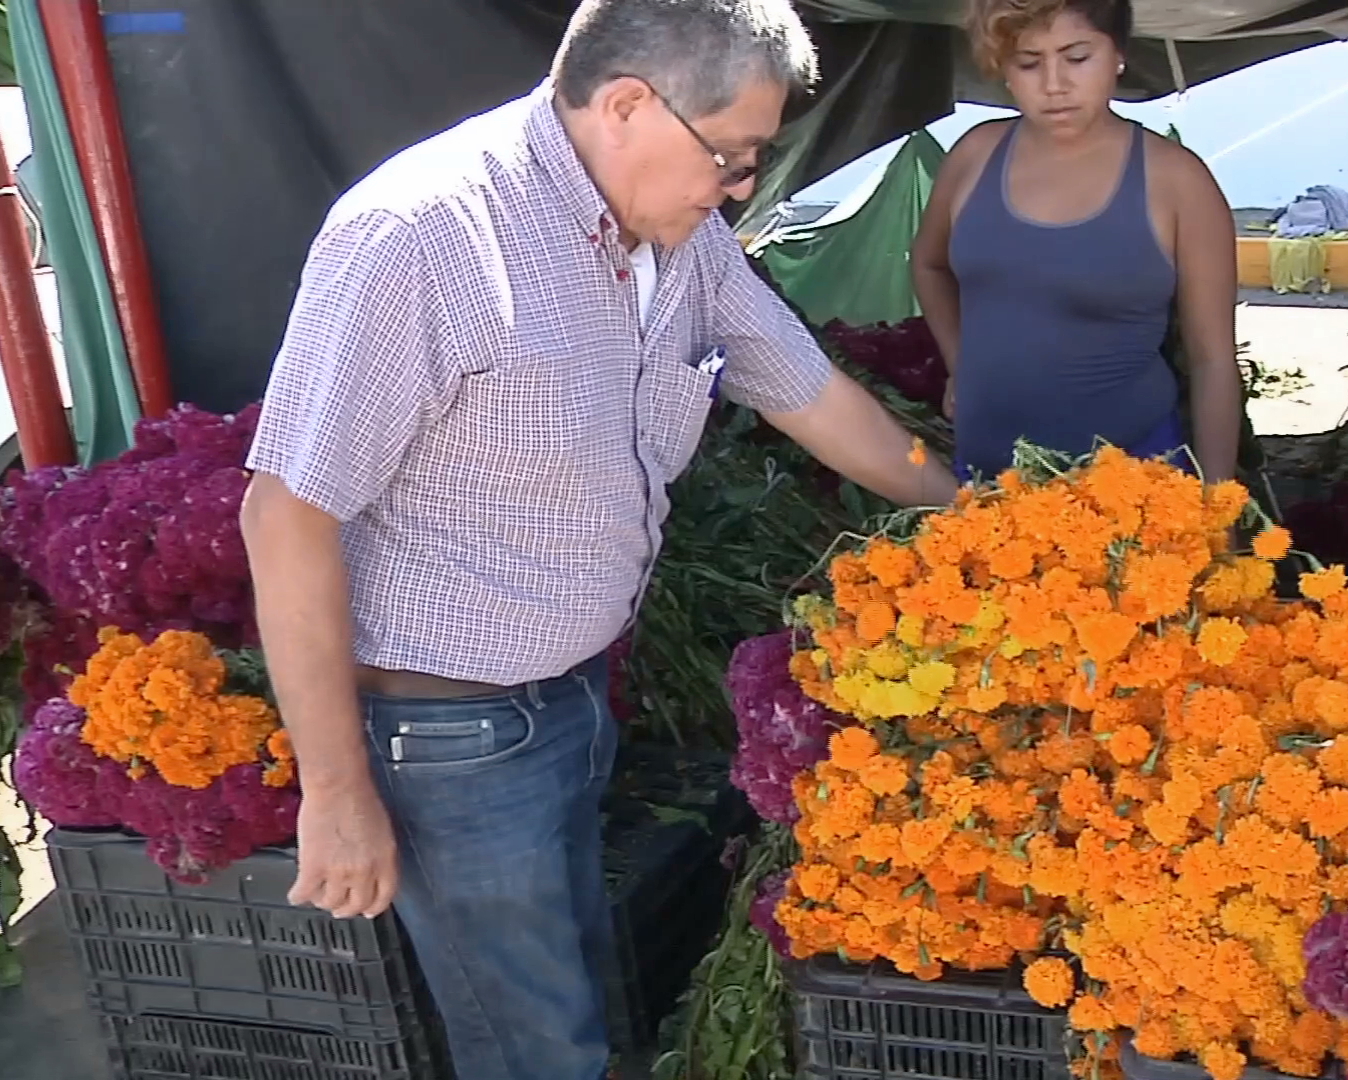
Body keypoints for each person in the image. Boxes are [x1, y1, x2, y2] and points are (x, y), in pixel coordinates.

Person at [237, 2, 956, 1078]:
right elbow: (284, 516)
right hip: (449, 733)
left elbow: (811, 395)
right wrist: (336, 796)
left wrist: (967, 510)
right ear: (627, 106)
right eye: (733, 155)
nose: (742, 185)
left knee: (574, 998)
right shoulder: (428, 238)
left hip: (571, 695)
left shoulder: (684, 238)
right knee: (536, 1046)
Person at [911, 0, 1242, 482]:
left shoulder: (1178, 181)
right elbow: (929, 264)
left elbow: (1213, 360)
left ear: (1119, 55)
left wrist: (1218, 506)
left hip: (1134, 493)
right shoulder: (974, 155)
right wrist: (960, 364)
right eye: (1028, 63)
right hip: (986, 485)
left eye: (1077, 57)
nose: (1054, 85)